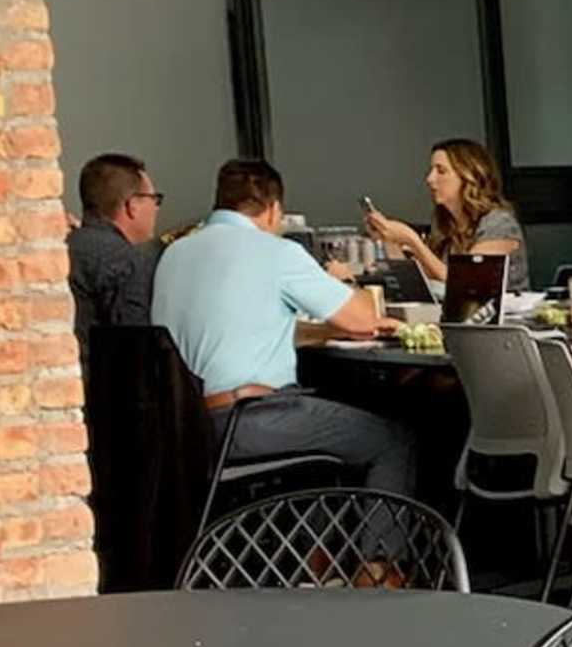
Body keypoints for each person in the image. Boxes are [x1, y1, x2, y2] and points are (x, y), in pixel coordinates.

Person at [153, 156, 413, 496]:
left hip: (185, 426)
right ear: (274, 210)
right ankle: (378, 552)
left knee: (326, 428)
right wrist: (343, 280)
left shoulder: (174, 254)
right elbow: (365, 318)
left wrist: (325, 332)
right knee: (394, 440)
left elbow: (238, 328)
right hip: (250, 421)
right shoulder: (276, 251)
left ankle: (318, 549)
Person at [365, 137, 521, 293]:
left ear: (469, 176)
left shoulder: (500, 224)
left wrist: (413, 240)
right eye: (431, 170)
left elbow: (465, 284)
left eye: (441, 171)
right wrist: (388, 240)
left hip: (505, 315)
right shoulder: (446, 224)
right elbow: (420, 282)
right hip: (454, 314)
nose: (430, 179)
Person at [66, 151, 163, 341]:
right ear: (132, 205)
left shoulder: (65, 248)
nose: (156, 208)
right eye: (154, 199)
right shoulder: (127, 261)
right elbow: (135, 345)